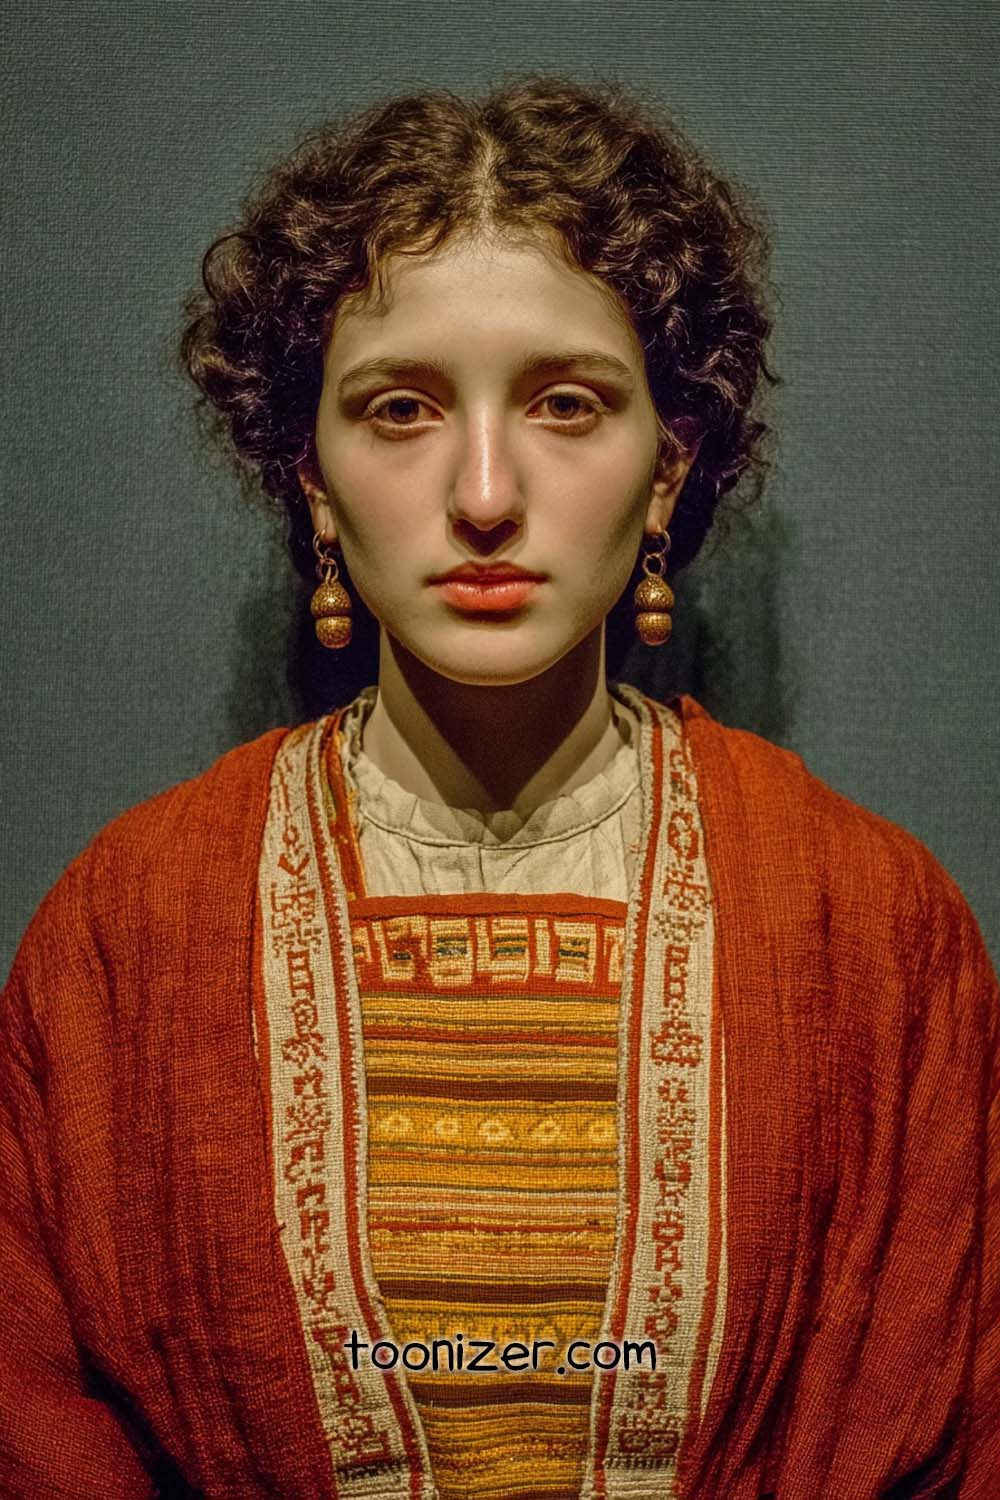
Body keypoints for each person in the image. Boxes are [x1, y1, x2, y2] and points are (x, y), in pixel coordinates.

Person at [1, 74, 997, 1500]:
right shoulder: (130, 933)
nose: (483, 490)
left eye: (568, 404)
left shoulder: (870, 932)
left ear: (669, 467)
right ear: (313, 480)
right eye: (400, 408)